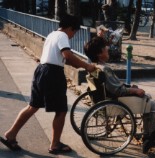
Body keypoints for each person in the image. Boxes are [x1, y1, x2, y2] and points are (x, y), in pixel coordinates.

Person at [0, 14, 96, 154]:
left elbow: (65, 59)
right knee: (61, 110)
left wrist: (79, 65)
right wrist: (87, 66)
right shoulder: (63, 36)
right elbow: (67, 56)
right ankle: (55, 144)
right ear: (69, 28)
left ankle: (11, 134)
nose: (73, 35)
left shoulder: (52, 34)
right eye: (74, 32)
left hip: (41, 71)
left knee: (32, 106)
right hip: (53, 74)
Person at [84, 36, 155, 141]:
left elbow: (115, 87)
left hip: (104, 100)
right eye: (105, 48)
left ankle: (150, 129)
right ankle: (150, 135)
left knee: (145, 98)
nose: (108, 48)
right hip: (115, 101)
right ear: (99, 54)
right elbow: (118, 90)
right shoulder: (105, 69)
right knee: (151, 103)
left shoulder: (94, 67)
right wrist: (135, 90)